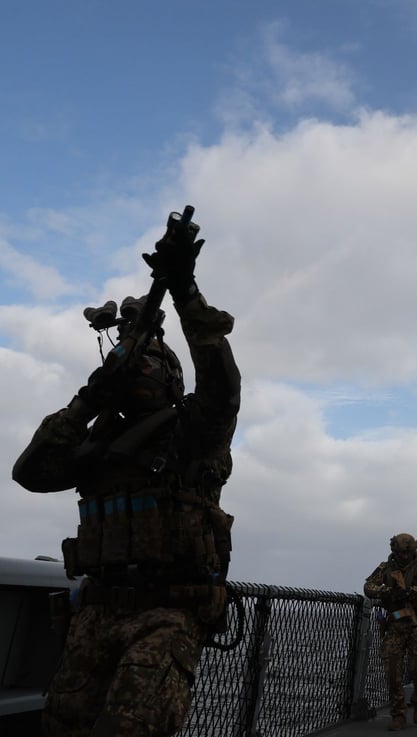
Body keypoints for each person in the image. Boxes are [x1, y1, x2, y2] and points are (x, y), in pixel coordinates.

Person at [12, 209, 240, 737]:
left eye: (148, 366)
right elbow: (31, 471)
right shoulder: (97, 440)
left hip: (166, 614)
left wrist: (184, 290)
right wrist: (89, 399)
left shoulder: (190, 432)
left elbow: (222, 383)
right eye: (130, 367)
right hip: (94, 612)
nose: (139, 372)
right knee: (62, 723)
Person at [363, 533, 417, 731]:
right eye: (401, 553)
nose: (404, 557)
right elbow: (368, 586)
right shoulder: (386, 567)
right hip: (395, 627)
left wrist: (414, 592)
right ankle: (398, 714)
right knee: (392, 672)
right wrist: (387, 592)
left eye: (407, 553)